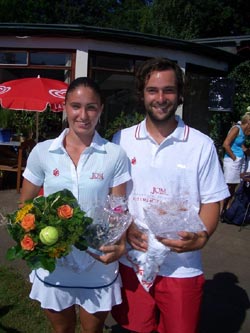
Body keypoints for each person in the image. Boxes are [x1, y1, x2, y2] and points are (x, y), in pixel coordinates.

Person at [111, 57, 230, 333]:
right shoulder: (121, 140)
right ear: (142, 94)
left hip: (181, 267)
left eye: (169, 90)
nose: (161, 98)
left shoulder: (201, 145)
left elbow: (213, 200)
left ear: (179, 95)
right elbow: (114, 196)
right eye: (153, 90)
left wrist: (201, 238)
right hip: (133, 261)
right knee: (133, 329)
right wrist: (125, 226)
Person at [19, 77, 131, 333]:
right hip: (55, 262)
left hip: (97, 260)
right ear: (65, 107)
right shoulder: (43, 152)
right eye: (76, 106)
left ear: (101, 109)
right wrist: (34, 238)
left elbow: (118, 208)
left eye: (91, 107)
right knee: (63, 331)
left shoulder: (115, 154)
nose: (83, 115)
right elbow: (25, 203)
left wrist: (120, 243)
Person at [222, 112, 250, 211]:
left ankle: (228, 208)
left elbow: (239, 143)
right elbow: (226, 144)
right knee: (228, 186)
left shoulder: (243, 132)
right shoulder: (236, 129)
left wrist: (246, 150)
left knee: (234, 186)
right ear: (248, 123)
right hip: (232, 160)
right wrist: (234, 158)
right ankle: (221, 208)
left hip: (239, 159)